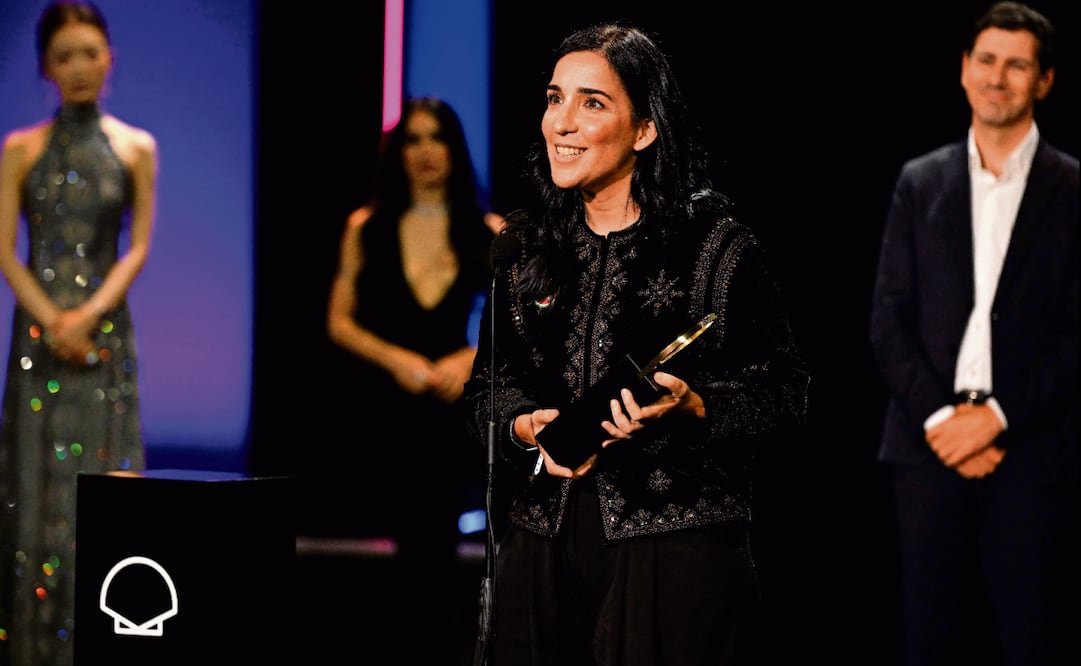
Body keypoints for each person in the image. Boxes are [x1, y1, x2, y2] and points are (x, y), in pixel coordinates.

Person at [461, 23, 810, 666]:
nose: (562, 122)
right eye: (554, 98)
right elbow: (486, 391)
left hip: (675, 556)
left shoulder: (713, 247)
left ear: (644, 129)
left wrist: (696, 406)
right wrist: (522, 426)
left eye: (592, 103)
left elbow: (785, 394)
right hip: (540, 550)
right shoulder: (526, 247)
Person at [869, 3, 1079, 665]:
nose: (997, 77)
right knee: (929, 642)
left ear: (1043, 80)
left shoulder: (1073, 189)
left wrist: (995, 418)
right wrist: (942, 420)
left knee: (1031, 640)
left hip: (1033, 452)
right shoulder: (919, 181)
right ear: (963, 69)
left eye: (1016, 65)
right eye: (986, 60)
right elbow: (887, 319)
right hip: (925, 449)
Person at [0, 1, 157, 664]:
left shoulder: (136, 147)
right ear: (46, 67)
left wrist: (87, 316)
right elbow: (6, 250)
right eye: (64, 56)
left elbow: (137, 247)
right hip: (39, 343)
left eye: (89, 52)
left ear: (109, 57)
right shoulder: (20, 148)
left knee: (104, 489)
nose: (79, 67)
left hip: (104, 338)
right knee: (37, 494)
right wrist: (52, 318)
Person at [325, 96, 503, 657]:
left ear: (455, 149)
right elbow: (339, 321)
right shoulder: (367, 226)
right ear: (398, 152)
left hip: (457, 405)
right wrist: (396, 360)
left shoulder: (488, 231)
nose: (426, 152)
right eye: (414, 139)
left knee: (442, 540)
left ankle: (442, 643)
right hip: (386, 403)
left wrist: (468, 359)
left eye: (437, 138)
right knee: (402, 541)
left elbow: (519, 327)